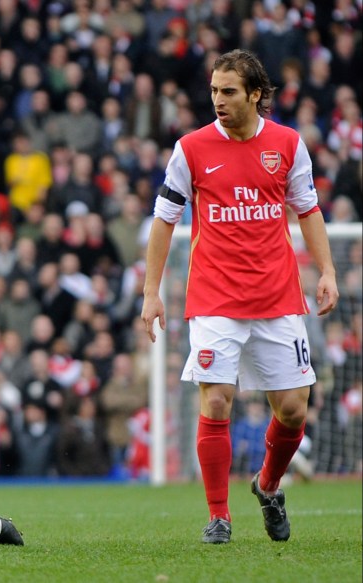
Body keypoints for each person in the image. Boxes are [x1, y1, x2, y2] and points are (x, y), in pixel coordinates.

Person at [141, 49, 339, 545]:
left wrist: (328, 271)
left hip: (277, 295)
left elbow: (308, 211)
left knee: (294, 408)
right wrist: (151, 292)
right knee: (217, 401)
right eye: (213, 91)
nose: (218, 101)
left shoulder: (288, 145)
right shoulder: (190, 149)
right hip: (215, 298)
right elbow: (164, 221)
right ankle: (218, 516)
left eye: (228, 92)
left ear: (256, 94)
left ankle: (268, 486)